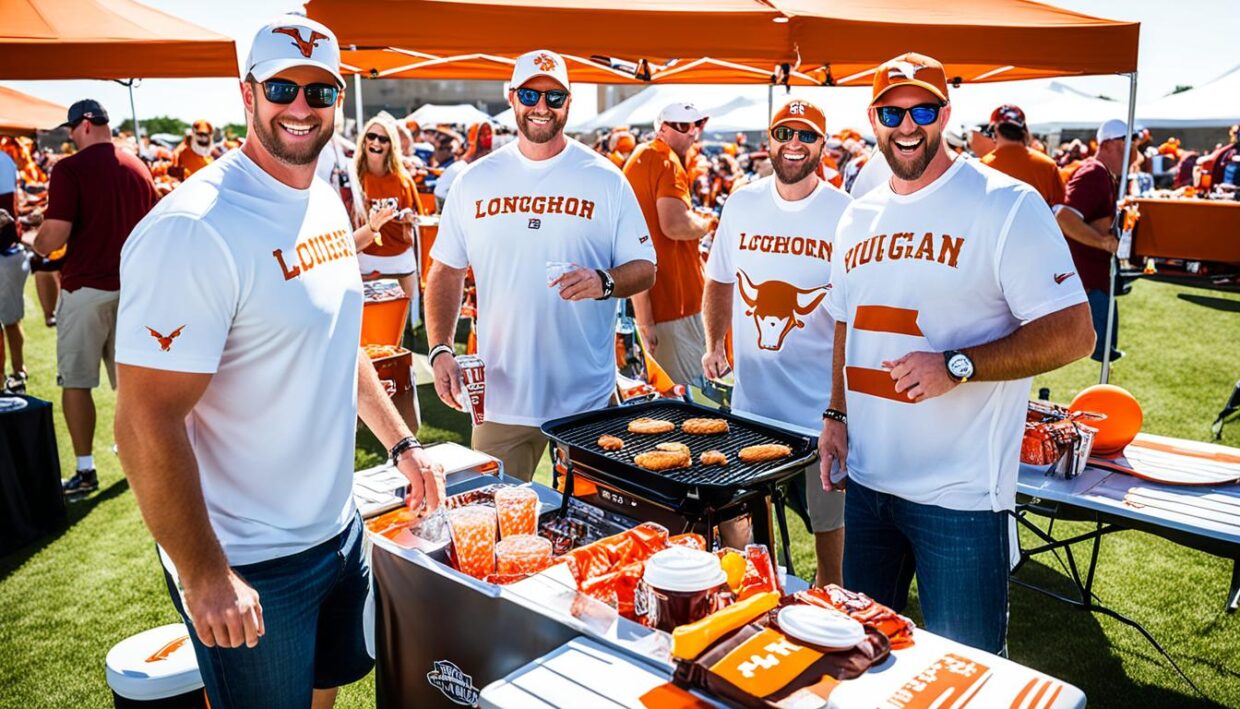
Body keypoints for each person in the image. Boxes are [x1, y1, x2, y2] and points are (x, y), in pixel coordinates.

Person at [113, 16, 441, 709]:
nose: (301, 106)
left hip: (337, 525)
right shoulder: (193, 227)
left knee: (323, 695)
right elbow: (145, 419)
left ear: (338, 99)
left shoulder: (323, 198)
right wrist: (205, 574)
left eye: (319, 91)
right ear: (248, 92)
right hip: (247, 556)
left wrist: (403, 444)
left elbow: (337, 341)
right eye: (283, 87)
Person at [819, 52, 1094, 654]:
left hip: (961, 497)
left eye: (923, 108)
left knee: (969, 676)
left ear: (946, 113)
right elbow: (847, 318)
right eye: (892, 111)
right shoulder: (856, 214)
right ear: (872, 117)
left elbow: (1075, 332)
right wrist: (835, 415)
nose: (907, 124)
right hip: (867, 484)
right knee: (860, 662)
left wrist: (956, 366)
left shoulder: (1005, 203)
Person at [425, 49, 656, 480]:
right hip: (502, 396)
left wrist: (604, 281)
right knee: (499, 530)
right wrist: (440, 348)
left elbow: (644, 266)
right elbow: (445, 269)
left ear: (569, 103)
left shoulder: (605, 178)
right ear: (512, 98)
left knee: (599, 531)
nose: (541, 107)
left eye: (554, 97)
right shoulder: (474, 180)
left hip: (586, 397)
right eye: (531, 95)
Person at [702, 99, 852, 587]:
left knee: (831, 524)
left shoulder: (844, 212)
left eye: (806, 135)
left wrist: (839, 407)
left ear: (822, 147)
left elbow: (853, 313)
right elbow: (720, 279)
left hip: (819, 411)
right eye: (785, 132)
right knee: (740, 523)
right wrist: (713, 341)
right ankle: (749, 596)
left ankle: (834, 599)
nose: (794, 143)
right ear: (769, 141)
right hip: (753, 405)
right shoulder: (743, 202)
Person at [31, 99, 156, 495]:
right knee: (134, 387)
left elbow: (54, 237)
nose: (68, 138)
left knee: (77, 382)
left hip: (86, 289)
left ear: (84, 125)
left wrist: (29, 239)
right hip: (135, 291)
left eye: (70, 130)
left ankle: (85, 470)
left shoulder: (70, 168)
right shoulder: (138, 165)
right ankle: (144, 459)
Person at [623, 102, 716, 385]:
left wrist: (644, 317)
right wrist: (707, 223)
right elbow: (674, 225)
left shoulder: (642, 156)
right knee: (692, 394)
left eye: (697, 124)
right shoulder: (666, 160)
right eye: (684, 126)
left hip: (654, 300)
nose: (693, 133)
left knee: (668, 393)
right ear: (663, 129)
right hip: (677, 302)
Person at [1055, 118, 1140, 363]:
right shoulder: (1094, 173)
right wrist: (1103, 242)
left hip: (1094, 273)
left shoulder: (1102, 173)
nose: (1133, 149)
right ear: (1111, 143)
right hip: (1086, 274)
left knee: (1103, 346)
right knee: (1095, 350)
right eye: (1128, 142)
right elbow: (1064, 216)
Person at [354, 112, 420, 326]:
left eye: (383, 139)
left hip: (400, 257)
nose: (376, 142)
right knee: (368, 322)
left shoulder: (402, 179)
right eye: (371, 136)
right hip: (366, 257)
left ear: (391, 145)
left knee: (401, 320)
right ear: (364, 139)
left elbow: (415, 216)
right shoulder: (354, 177)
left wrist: (408, 217)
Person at [979, 104, 1065, 207]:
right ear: (1023, 129)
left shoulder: (983, 166)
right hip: (1035, 222)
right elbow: (1061, 208)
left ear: (995, 130)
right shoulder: (1048, 165)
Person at [0, 149, 26, 392]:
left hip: (5, 252)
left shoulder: (2, 161)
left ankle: (18, 374)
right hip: (9, 254)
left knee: (9, 320)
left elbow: (4, 215)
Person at [434, 121, 493, 204]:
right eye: (481, 150)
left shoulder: (489, 170)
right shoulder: (457, 170)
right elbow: (440, 194)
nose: (484, 153)